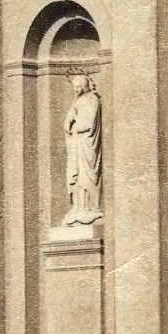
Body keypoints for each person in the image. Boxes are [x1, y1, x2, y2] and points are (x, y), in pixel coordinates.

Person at [63, 71, 103, 224]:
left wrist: (75, 126)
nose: (77, 89)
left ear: (86, 86)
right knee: (78, 177)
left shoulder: (92, 100)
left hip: (87, 145)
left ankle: (90, 208)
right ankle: (79, 207)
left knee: (87, 175)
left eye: (79, 86)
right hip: (77, 145)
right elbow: (69, 118)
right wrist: (68, 123)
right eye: (75, 87)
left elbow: (88, 123)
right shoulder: (77, 101)